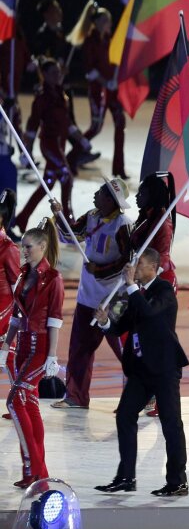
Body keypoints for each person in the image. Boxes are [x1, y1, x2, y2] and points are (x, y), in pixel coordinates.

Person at [94, 249, 189, 496]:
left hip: (164, 369)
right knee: (124, 415)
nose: (134, 269)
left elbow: (149, 313)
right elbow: (122, 326)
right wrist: (105, 321)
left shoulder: (164, 291)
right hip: (141, 369)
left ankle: (177, 481)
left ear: (153, 267)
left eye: (140, 264)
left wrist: (131, 288)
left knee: (171, 424)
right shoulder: (138, 294)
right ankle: (126, 477)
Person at [49, 180, 131, 409]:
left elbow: (127, 260)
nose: (95, 194)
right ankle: (76, 396)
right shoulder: (92, 216)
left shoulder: (123, 225)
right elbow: (70, 235)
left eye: (101, 192)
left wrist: (101, 270)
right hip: (88, 296)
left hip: (114, 299)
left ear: (111, 200)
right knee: (79, 349)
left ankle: (137, 397)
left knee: (125, 351)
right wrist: (59, 215)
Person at [1, 226, 63, 487]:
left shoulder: (53, 277)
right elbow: (16, 314)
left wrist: (52, 355)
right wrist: (6, 345)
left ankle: (35, 470)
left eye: (28, 246)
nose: (23, 250)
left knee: (14, 401)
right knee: (29, 403)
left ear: (41, 247)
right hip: (23, 346)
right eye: (23, 245)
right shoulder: (23, 275)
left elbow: (55, 318)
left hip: (40, 347)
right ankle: (36, 474)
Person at [14, 58, 95, 230]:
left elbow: (68, 123)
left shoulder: (62, 95)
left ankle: (22, 217)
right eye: (53, 73)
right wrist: (25, 151)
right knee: (67, 178)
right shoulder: (42, 98)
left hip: (61, 144)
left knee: (48, 183)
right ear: (44, 75)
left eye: (58, 72)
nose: (57, 75)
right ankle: (67, 220)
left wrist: (81, 139)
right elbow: (32, 126)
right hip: (50, 145)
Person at [81, 6, 128, 178]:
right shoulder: (90, 41)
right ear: (95, 23)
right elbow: (89, 69)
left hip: (111, 91)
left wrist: (115, 79)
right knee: (96, 127)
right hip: (98, 91)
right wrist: (105, 82)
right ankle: (73, 156)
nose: (107, 23)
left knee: (120, 123)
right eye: (103, 20)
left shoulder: (111, 40)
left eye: (108, 20)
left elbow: (116, 61)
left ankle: (118, 168)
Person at [130, 173, 177, 290]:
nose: (136, 196)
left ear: (152, 196)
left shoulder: (163, 223)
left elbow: (160, 256)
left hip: (160, 279)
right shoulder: (147, 216)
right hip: (146, 276)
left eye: (141, 193)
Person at [0, 190, 19, 375]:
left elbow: (17, 288)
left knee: (11, 357)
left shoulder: (8, 247)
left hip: (2, 313)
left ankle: (21, 398)